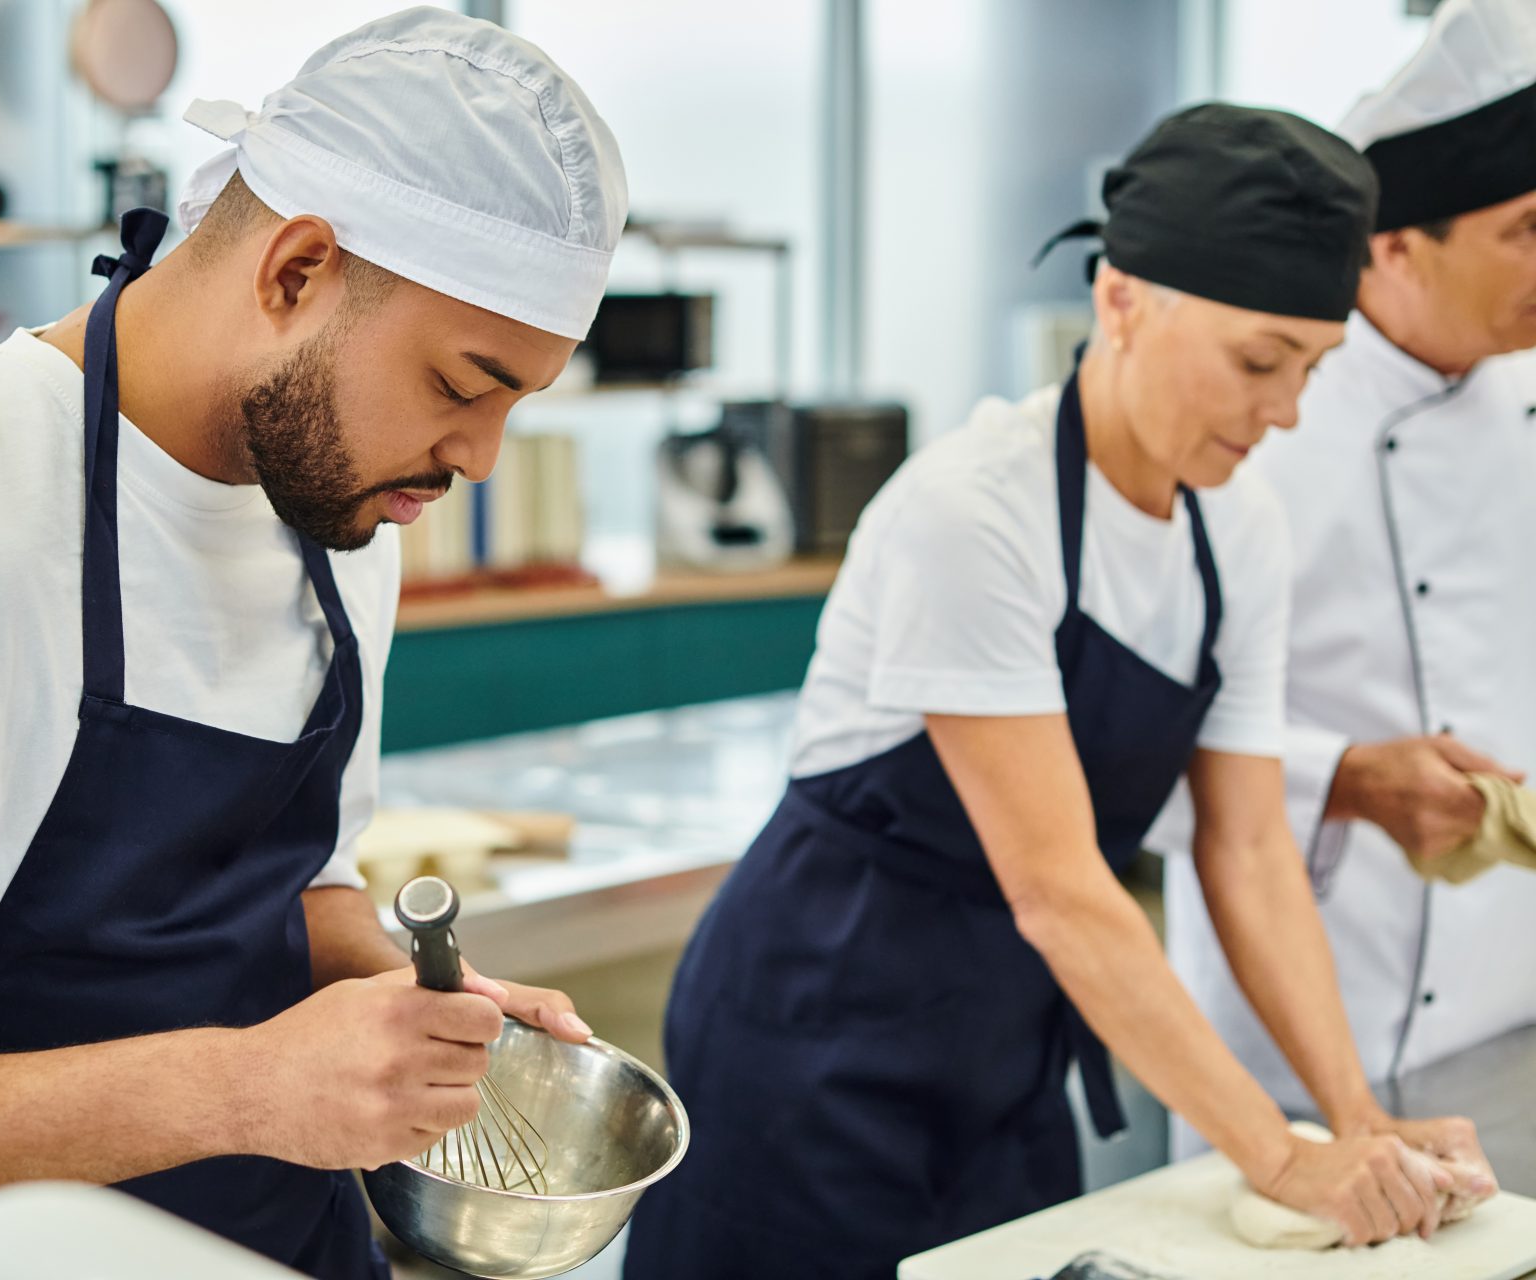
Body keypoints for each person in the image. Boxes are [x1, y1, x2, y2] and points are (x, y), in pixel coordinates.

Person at [0, 9, 627, 1279]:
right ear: (296, 271)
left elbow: (295, 882)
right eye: (461, 384)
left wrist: (416, 1009)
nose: (479, 459)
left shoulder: (336, 507)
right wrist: (250, 1088)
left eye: (518, 402)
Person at [622, 103, 1495, 1279]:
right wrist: (1278, 1160)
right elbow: (1063, 890)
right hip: (818, 1032)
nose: (1284, 411)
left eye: (1313, 368)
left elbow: (1246, 850)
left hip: (1008, 1046)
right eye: (1258, 362)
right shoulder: (976, 510)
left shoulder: (1237, 528)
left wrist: (1353, 1118)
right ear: (1122, 299)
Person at [1161, 0, 1536, 1155]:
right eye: (1525, 230)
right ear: (1395, 245)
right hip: (1298, 1010)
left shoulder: (1523, 406)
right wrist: (1349, 778)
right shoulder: (1255, 418)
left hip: (1507, 1000)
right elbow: (1116, 742)